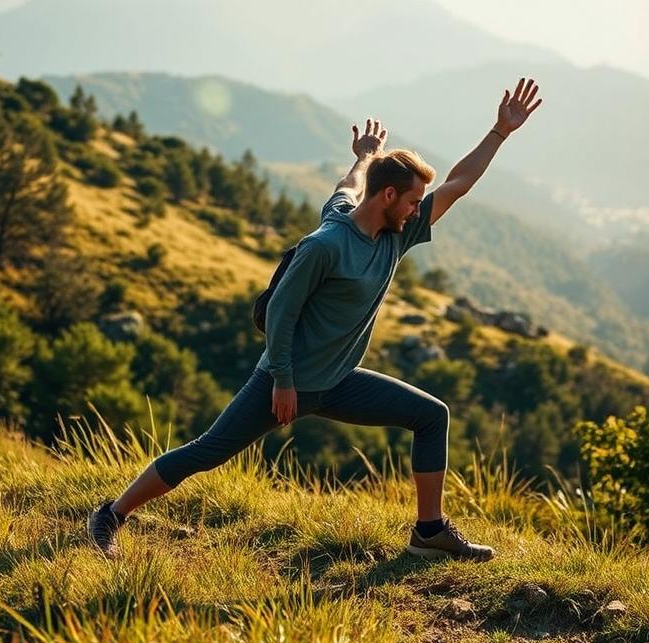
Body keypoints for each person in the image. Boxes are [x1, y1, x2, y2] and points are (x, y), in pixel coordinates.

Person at [88, 77, 543, 559]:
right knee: (207, 452)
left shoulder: (395, 234)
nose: (418, 212)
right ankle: (110, 515)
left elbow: (451, 184)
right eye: (411, 202)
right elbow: (281, 312)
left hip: (338, 380)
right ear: (388, 196)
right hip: (284, 382)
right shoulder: (326, 244)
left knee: (431, 416)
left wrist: (498, 132)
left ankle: (428, 532)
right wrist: (283, 381)